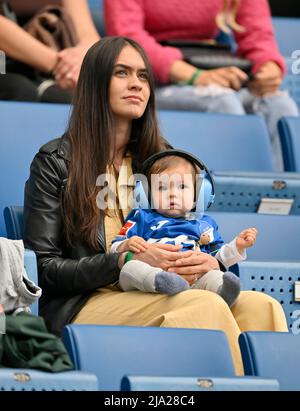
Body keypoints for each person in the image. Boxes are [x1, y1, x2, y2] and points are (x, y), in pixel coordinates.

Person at [24, 36, 288, 375]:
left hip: (167, 288)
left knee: (261, 306)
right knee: (201, 306)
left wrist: (206, 263)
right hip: (85, 301)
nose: (136, 83)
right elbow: (43, 270)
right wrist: (123, 260)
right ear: (94, 82)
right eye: (121, 73)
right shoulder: (56, 161)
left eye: (143, 75)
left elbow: (195, 232)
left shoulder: (162, 160)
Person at [104, 0, 299, 171]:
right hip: (155, 80)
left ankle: (282, 195)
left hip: (215, 69)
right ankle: (230, 190)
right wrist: (195, 76)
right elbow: (127, 37)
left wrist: (268, 66)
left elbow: (257, 35)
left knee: (280, 105)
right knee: (223, 102)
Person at [111, 152, 257, 307]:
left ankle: (223, 292)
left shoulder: (205, 224)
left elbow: (218, 259)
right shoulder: (141, 217)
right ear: (147, 195)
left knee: (213, 275)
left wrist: (237, 246)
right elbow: (114, 248)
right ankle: (159, 281)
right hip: (150, 282)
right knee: (131, 268)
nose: (173, 194)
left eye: (182, 186)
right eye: (162, 188)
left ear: (198, 194)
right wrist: (127, 244)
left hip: (194, 280)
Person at [0, 0, 100, 103]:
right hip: (14, 69)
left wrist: (82, 59)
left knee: (87, 98)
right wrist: (63, 67)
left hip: (56, 67)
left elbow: (88, 36)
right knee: (21, 91)